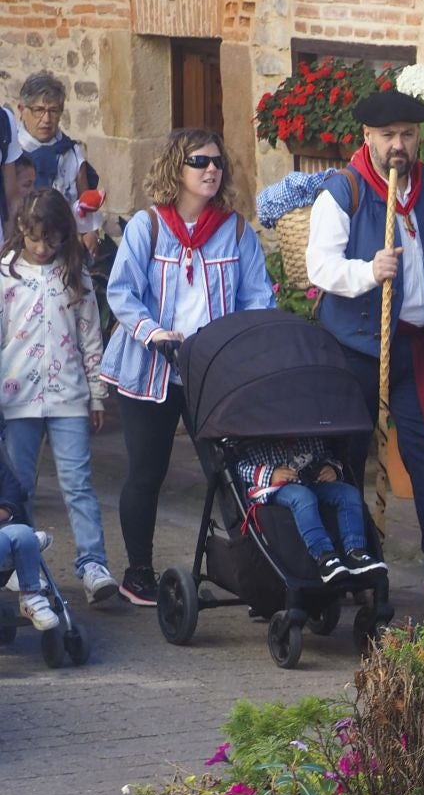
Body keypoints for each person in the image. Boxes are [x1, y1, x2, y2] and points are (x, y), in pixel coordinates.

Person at [306, 87, 424, 616]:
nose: (398, 145)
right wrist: (369, 271)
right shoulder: (343, 191)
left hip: (418, 347)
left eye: (407, 135)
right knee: (343, 460)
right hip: (355, 349)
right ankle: (351, 561)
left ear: (419, 138)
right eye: (388, 136)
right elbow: (319, 267)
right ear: (368, 137)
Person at [101, 128, 275, 606]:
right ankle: (138, 574)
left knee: (229, 473)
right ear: (176, 168)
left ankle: (253, 575)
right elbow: (121, 292)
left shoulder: (236, 231)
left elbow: (257, 299)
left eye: (217, 162)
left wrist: (245, 346)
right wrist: (153, 332)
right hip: (150, 368)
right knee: (146, 472)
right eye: (199, 161)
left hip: (212, 372)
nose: (211, 170)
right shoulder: (148, 226)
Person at [0, 188, 114, 604]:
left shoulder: (75, 273)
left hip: (68, 395)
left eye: (52, 239)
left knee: (78, 483)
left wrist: (97, 394)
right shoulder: (5, 274)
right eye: (35, 239)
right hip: (17, 400)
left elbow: (90, 335)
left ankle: (93, 563)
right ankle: (22, 565)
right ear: (21, 232)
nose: (43, 248)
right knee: (20, 488)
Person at [230, 435, 385, 581]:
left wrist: (330, 467)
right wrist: (270, 474)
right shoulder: (253, 434)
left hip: (310, 479)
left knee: (349, 494)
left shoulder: (306, 425)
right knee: (303, 497)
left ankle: (355, 552)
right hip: (274, 486)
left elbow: (323, 453)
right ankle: (324, 556)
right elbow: (240, 467)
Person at [13, 73, 103, 253]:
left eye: (53, 111)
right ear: (22, 110)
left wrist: (89, 232)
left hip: (64, 244)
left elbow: (84, 201)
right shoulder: (11, 153)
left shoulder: (71, 152)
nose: (46, 119)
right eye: (39, 110)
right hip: (20, 245)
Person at [0, 445, 62, 631]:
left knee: (24, 533)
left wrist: (5, 509)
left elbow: (12, 489)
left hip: (4, 528)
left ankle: (30, 596)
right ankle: (30, 546)